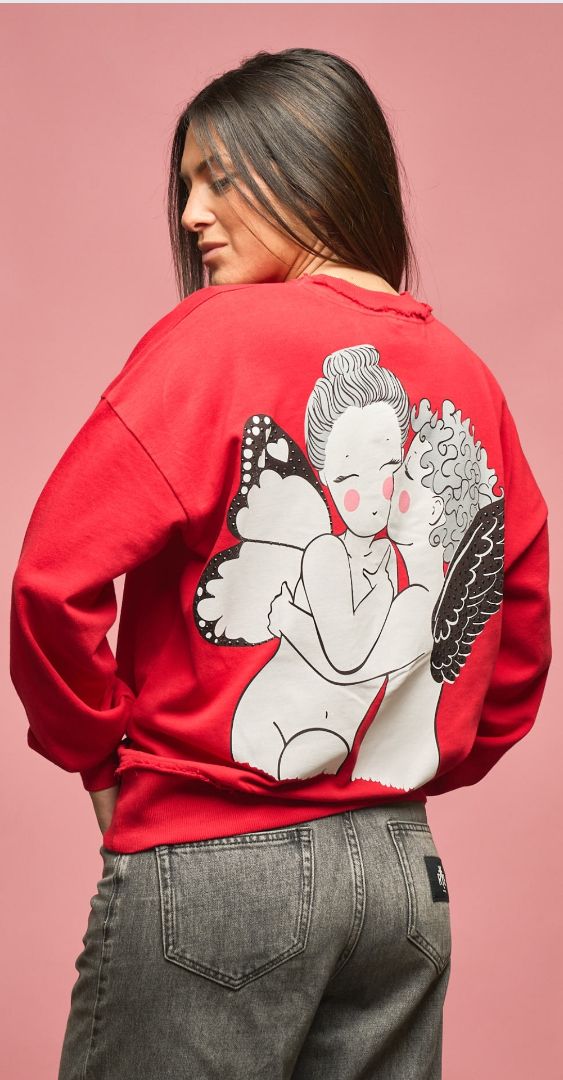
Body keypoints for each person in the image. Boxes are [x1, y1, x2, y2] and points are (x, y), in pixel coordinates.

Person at [9, 47, 551, 1080]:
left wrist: (99, 759)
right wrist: (397, 767)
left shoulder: (214, 341)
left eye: (217, 178)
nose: (190, 216)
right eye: (184, 187)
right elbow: (516, 645)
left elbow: (52, 578)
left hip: (216, 866)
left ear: (308, 166)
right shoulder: (468, 379)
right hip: (399, 887)